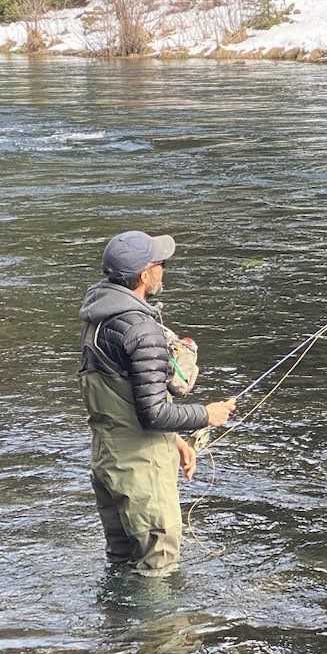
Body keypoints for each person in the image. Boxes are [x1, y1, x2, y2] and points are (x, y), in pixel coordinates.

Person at [79, 230, 235, 574]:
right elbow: (154, 412)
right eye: (160, 263)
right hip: (141, 474)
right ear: (144, 274)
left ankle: (118, 628)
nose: (164, 269)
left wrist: (176, 441)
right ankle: (161, 630)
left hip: (109, 464)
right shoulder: (140, 329)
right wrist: (206, 415)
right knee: (157, 570)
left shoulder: (97, 319)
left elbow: (121, 399)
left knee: (121, 564)